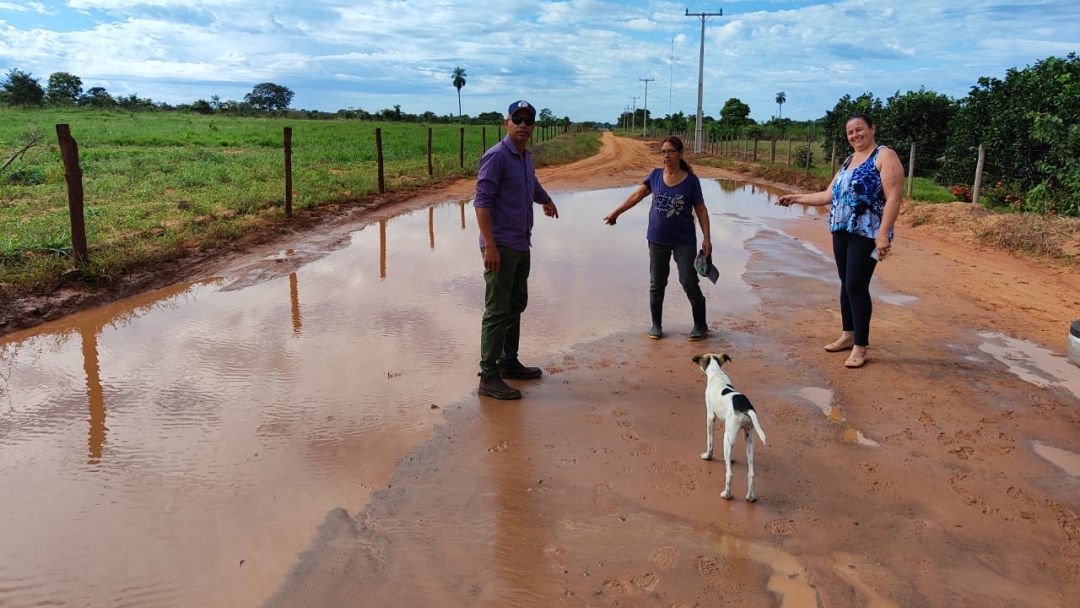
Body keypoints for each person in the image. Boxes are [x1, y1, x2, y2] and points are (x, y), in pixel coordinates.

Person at [776, 113, 903, 368]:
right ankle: (848, 334)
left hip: (868, 235)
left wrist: (883, 235)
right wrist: (795, 197)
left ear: (872, 128)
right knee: (846, 283)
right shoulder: (849, 160)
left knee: (857, 285)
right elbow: (827, 195)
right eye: (850, 132)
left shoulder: (884, 156)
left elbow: (894, 198)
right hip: (842, 231)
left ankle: (861, 346)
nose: (855, 135)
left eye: (860, 130)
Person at [473, 100, 560, 400]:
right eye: (518, 119)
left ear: (534, 125)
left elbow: (531, 184)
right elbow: (481, 203)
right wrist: (491, 246)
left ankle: (508, 362)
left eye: (529, 120)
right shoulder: (496, 157)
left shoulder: (525, 157)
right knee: (497, 311)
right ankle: (489, 375)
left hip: (522, 243)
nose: (523, 124)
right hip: (501, 247)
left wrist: (546, 199)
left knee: (515, 305)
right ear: (506, 123)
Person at [603, 135, 712, 341]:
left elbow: (701, 210)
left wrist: (707, 238)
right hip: (657, 238)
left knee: (688, 281)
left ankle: (700, 324)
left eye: (671, 151)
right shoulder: (654, 175)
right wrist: (616, 212)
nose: (666, 156)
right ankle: (656, 325)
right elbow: (637, 196)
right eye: (663, 152)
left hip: (684, 240)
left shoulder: (691, 181)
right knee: (657, 283)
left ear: (680, 154)